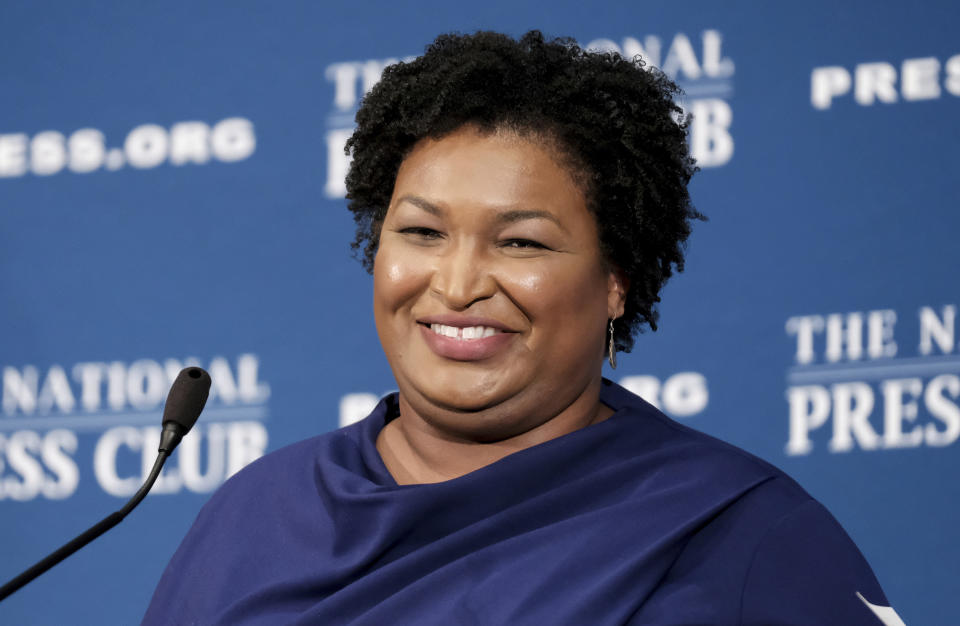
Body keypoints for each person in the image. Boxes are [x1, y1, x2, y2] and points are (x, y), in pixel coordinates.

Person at [143, 31, 902, 625]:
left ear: (615, 283)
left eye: (522, 242)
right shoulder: (253, 518)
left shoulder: (740, 535)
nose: (460, 284)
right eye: (422, 233)